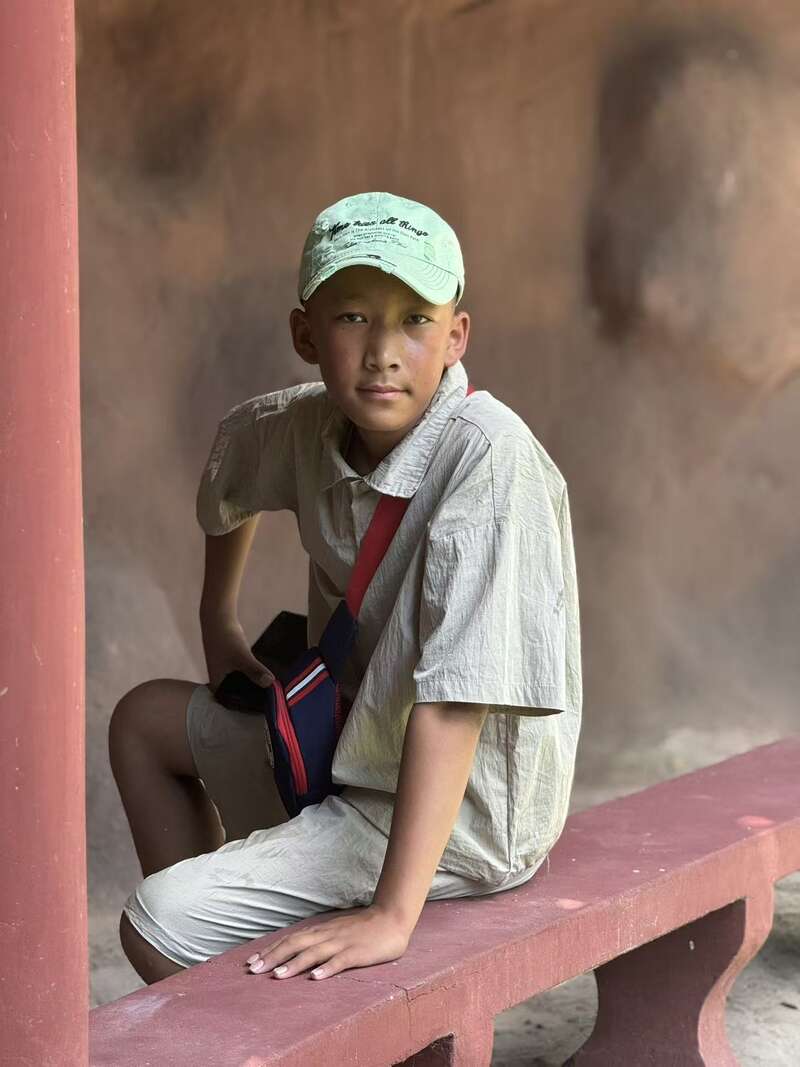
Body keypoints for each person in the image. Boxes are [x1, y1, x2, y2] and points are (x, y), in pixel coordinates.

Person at [109, 190, 582, 986]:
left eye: (415, 320)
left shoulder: (490, 461)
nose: (383, 352)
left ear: (456, 335)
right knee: (143, 724)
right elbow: (232, 471)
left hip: (461, 814)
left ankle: (241, 992)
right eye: (354, 317)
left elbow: (454, 704)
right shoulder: (307, 424)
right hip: (343, 749)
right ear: (306, 334)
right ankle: (242, 971)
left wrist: (391, 917)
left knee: (158, 920)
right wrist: (218, 619)